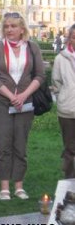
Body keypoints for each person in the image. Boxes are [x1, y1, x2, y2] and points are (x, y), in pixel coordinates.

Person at [0, 12, 45, 201]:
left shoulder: (32, 47)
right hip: (1, 103)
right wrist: (12, 96)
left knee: (21, 144)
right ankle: (4, 186)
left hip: (25, 103)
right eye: (6, 26)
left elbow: (39, 76)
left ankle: (19, 185)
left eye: (13, 26)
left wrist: (23, 95)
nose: (9, 29)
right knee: (4, 145)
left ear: (22, 29)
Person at [52, 24, 75, 178]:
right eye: (74, 37)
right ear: (69, 38)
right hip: (68, 110)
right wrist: (65, 97)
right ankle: (70, 182)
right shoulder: (61, 58)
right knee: (70, 148)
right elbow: (56, 82)